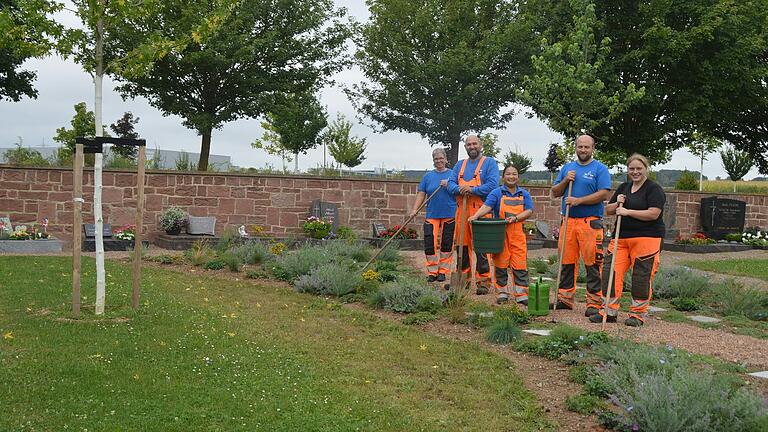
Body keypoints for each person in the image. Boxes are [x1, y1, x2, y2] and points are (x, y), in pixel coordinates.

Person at [589, 154, 665, 326]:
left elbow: (654, 213)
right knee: (610, 272)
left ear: (646, 168)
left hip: (647, 238)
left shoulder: (654, 189)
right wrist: (618, 204)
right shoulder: (624, 187)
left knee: (641, 276)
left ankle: (637, 314)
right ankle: (608, 312)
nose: (635, 172)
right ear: (628, 170)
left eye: (639, 168)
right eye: (632, 169)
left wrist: (628, 211)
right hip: (621, 238)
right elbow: (608, 210)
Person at [551, 134, 612, 315]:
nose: (583, 150)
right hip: (568, 221)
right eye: (580, 147)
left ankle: (594, 303)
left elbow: (604, 194)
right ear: (575, 148)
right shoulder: (567, 168)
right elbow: (555, 192)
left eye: (587, 147)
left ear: (593, 148)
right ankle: (564, 298)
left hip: (590, 223)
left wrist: (579, 201)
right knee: (566, 261)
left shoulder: (600, 169)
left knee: (593, 263)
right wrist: (565, 181)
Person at [468, 164, 533, 305]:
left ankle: (522, 294)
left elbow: (529, 211)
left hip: (518, 235)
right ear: (503, 177)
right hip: (500, 234)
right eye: (508, 174)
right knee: (501, 264)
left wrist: (516, 218)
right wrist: (475, 215)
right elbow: (487, 206)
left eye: (514, 174)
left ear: (518, 177)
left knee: (520, 265)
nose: (511, 177)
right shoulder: (497, 193)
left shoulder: (524, 194)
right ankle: (502, 292)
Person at [445, 135, 500, 293]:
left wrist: (472, 190)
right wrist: (460, 190)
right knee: (461, 246)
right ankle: (463, 279)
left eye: (474, 143)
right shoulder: (460, 165)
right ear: (465, 147)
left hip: (481, 209)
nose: (472, 146)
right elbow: (450, 184)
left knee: (481, 247)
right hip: (461, 209)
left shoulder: (489, 163)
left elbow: (492, 185)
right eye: (469, 144)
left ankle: (483, 281)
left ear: (480, 145)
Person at [410, 148, 457, 282]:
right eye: (436, 159)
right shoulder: (428, 177)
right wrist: (415, 209)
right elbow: (421, 194)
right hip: (432, 214)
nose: (439, 161)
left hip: (449, 213)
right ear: (433, 161)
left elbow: (458, 191)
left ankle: (443, 271)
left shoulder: (453, 175)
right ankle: (432, 271)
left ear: (446, 159)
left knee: (446, 244)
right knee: (429, 242)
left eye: (441, 158)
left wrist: (449, 184)